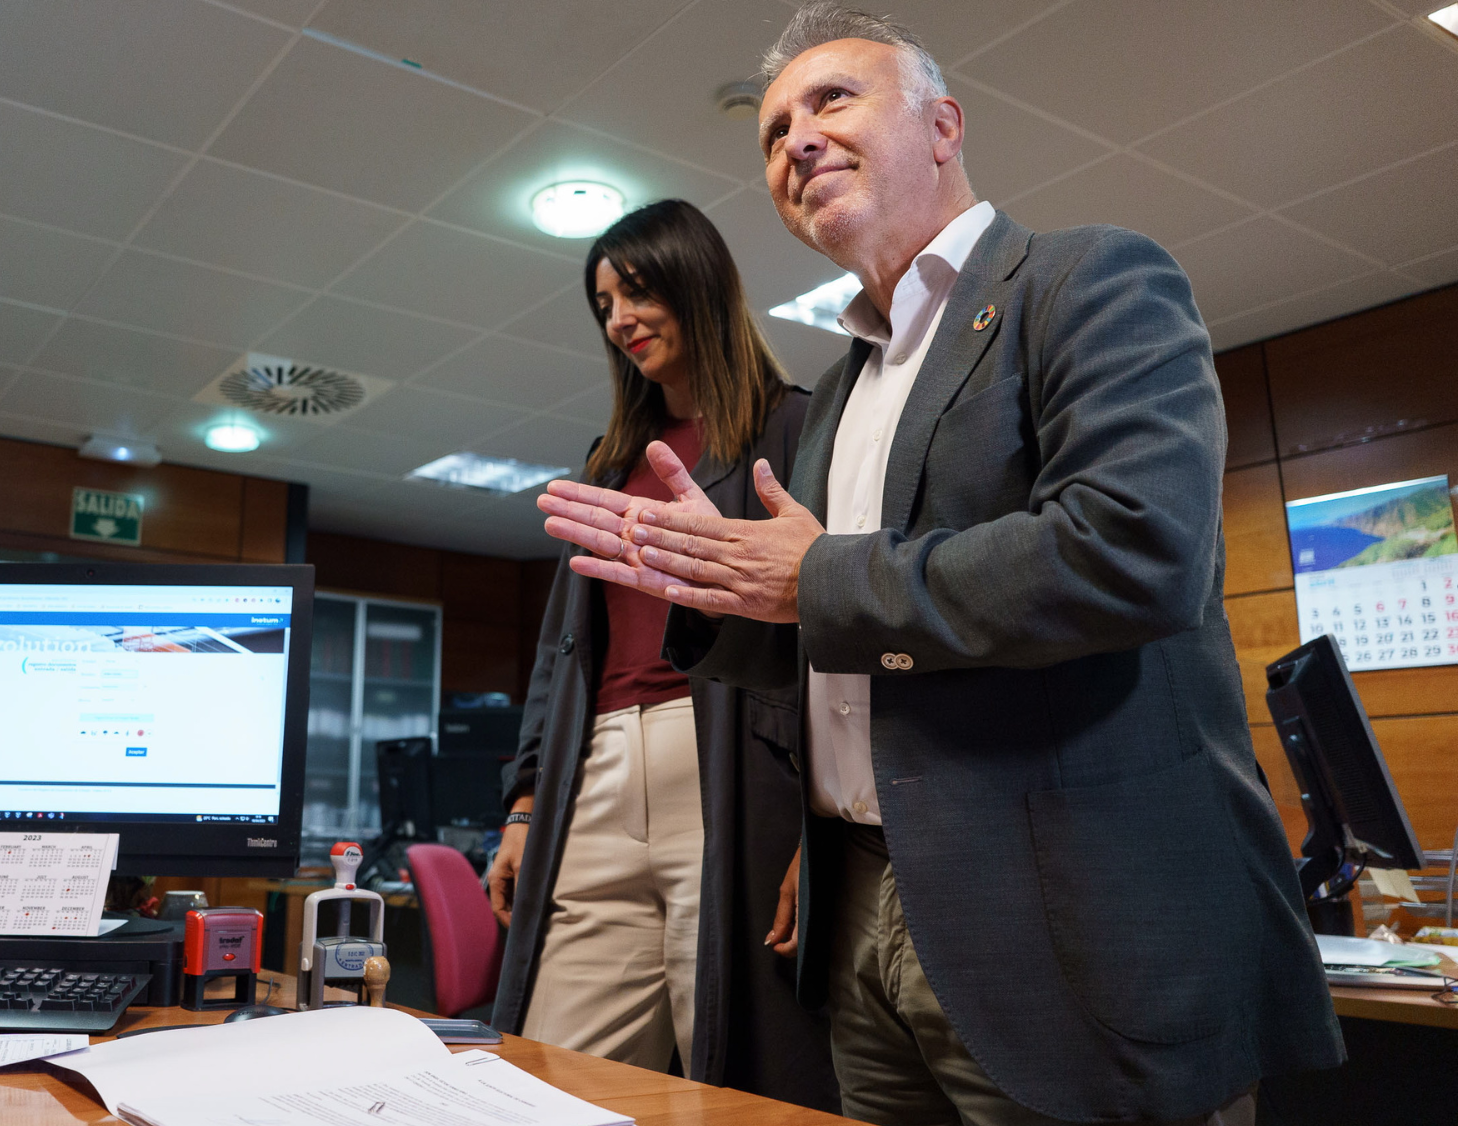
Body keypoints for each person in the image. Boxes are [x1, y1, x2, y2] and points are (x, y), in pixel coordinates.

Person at [537, 5, 1342, 1125]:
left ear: (942, 125)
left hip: (1071, 926)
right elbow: (840, 637)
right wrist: (696, 578)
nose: (793, 140)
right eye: (770, 132)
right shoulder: (838, 394)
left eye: (830, 100)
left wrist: (809, 580)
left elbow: (1131, 551)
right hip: (857, 907)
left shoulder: (1088, 281)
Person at [486, 199, 835, 1108]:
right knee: (546, 1075)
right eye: (604, 304)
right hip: (594, 773)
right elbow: (561, 654)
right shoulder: (607, 464)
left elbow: (832, 636)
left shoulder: (795, 431)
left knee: (726, 1066)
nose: (620, 320)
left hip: (726, 770)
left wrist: (819, 822)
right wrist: (525, 800)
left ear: (697, 283)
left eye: (636, 292)